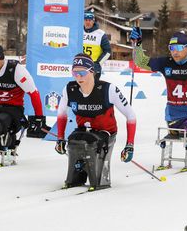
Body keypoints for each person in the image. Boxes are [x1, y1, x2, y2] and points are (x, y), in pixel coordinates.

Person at [54, 53, 136, 191]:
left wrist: (129, 145)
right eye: (75, 73)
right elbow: (61, 114)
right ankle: (75, 178)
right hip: (84, 131)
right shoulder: (70, 89)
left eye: (82, 72)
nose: (78, 77)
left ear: (91, 71)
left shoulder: (108, 89)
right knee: (73, 142)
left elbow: (131, 115)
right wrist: (60, 138)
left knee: (91, 145)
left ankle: (98, 179)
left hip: (106, 132)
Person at [130, 28, 187, 150]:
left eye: (179, 48)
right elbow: (140, 61)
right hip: (172, 116)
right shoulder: (166, 63)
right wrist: (137, 44)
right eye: (172, 48)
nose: (175, 52)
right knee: (180, 131)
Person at [0, 43, 47, 150]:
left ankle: (7, 142)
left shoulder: (16, 70)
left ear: (2, 59)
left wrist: (39, 117)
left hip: (13, 108)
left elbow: (33, 93)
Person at [82, 11, 111, 81]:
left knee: (93, 90)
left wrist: (98, 63)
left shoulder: (100, 34)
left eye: (90, 20)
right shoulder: (79, 31)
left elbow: (108, 52)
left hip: (93, 67)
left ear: (93, 21)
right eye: (86, 20)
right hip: (80, 65)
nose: (87, 22)